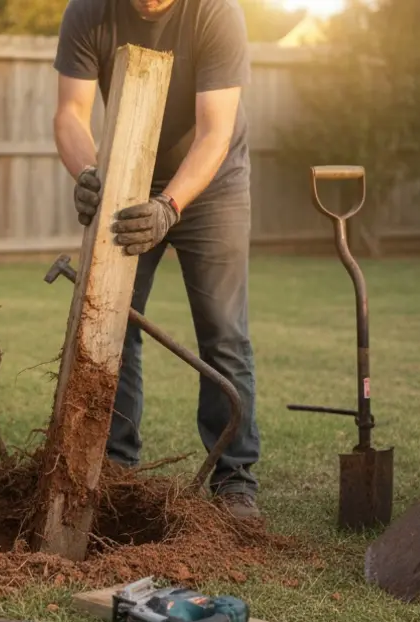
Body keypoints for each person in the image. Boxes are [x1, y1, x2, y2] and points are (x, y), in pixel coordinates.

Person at [52, 0, 262, 519]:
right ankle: (116, 466)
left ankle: (234, 478)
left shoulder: (214, 13)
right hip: (126, 175)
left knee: (223, 333)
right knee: (111, 321)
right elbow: (71, 113)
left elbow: (215, 130)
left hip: (212, 186)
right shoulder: (90, 11)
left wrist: (169, 205)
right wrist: (87, 174)